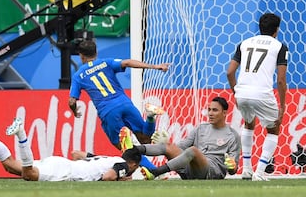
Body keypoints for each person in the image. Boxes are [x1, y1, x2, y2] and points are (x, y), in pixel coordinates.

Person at [68, 39, 169, 169]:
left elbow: (72, 101)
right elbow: (127, 62)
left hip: (108, 112)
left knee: (126, 148)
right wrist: (154, 66)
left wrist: (74, 110)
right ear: (96, 52)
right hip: (125, 104)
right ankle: (150, 117)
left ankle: (155, 171)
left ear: (81, 56)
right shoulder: (106, 63)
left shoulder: (78, 75)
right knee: (146, 139)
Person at [0, 117, 141, 181]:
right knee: (28, 174)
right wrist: (121, 180)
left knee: (10, 166)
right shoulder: (123, 164)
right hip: (64, 172)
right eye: (135, 168)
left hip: (61, 164)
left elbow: (77, 154)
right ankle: (21, 133)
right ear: (133, 163)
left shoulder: (106, 158)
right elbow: (109, 176)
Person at [227, 13, 288, 181]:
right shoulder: (279, 46)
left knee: (248, 124)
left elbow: (230, 72)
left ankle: (247, 169)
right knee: (274, 128)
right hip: (262, 92)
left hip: (243, 92)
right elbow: (281, 80)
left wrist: (236, 93)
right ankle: (259, 172)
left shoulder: (244, 43)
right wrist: (282, 105)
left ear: (260, 27)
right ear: (276, 30)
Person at [120, 97, 241, 180]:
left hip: (211, 173)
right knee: (169, 146)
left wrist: (232, 167)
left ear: (224, 113)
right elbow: (180, 148)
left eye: (214, 110)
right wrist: (167, 144)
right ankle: (133, 149)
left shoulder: (232, 135)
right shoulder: (201, 128)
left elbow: (233, 169)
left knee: (193, 151)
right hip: (191, 170)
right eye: (209, 109)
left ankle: (155, 172)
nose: (210, 113)